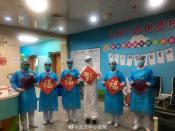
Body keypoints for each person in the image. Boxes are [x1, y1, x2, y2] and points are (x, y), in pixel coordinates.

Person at [128, 56, 155, 131]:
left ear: (144, 60)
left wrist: (150, 83)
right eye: (138, 59)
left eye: (141, 59)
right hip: (135, 92)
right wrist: (130, 81)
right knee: (136, 110)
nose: (140, 61)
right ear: (136, 61)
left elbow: (153, 79)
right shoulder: (133, 70)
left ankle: (147, 126)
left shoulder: (148, 70)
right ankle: (137, 124)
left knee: (146, 110)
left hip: (145, 93)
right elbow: (130, 78)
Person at [10, 60, 38, 131]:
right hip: (23, 94)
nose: (26, 66)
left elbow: (37, 79)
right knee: (23, 111)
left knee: (31, 110)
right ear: (22, 64)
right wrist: (16, 88)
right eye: (25, 64)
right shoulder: (17, 73)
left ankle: (32, 123)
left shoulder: (32, 72)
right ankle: (24, 126)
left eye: (28, 65)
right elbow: (13, 81)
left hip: (31, 93)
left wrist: (36, 83)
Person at [102, 61, 126, 127]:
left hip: (117, 94)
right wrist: (103, 82)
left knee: (117, 106)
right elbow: (104, 80)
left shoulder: (119, 73)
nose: (112, 65)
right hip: (109, 93)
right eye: (110, 64)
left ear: (116, 65)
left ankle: (117, 121)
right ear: (109, 65)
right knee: (111, 106)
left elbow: (123, 81)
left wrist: (123, 83)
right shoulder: (107, 73)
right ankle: (112, 119)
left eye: (113, 64)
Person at [81, 56, 101, 124]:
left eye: (89, 60)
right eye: (86, 60)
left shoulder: (95, 68)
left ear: (91, 60)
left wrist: (97, 75)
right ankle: (87, 116)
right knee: (86, 102)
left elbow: (99, 77)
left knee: (93, 102)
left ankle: (94, 117)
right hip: (86, 87)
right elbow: (81, 78)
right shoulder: (83, 69)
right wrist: (80, 79)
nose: (88, 61)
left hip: (93, 86)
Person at [61, 59, 81, 123]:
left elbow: (79, 78)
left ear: (72, 63)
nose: (69, 64)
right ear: (66, 64)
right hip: (66, 91)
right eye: (68, 63)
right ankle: (67, 117)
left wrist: (79, 81)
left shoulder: (76, 71)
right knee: (67, 104)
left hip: (74, 90)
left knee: (73, 104)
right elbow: (61, 81)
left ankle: (74, 117)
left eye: (70, 63)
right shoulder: (64, 72)